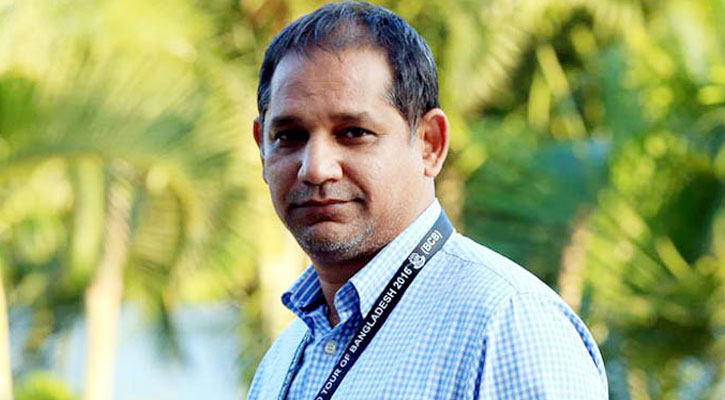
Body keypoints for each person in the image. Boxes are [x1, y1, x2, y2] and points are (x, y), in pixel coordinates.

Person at [248, 2, 608, 399]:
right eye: (289, 136)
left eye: (353, 133)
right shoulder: (285, 357)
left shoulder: (507, 325)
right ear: (262, 149)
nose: (316, 168)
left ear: (430, 144)